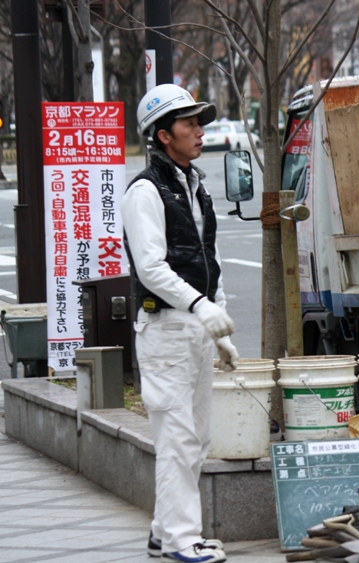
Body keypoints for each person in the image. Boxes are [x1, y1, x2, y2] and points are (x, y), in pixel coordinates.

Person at [123, 84, 239, 563]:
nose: (199, 129)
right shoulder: (145, 190)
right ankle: (179, 539)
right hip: (166, 329)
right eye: (189, 122)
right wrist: (199, 306)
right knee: (177, 438)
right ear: (163, 134)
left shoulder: (196, 185)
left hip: (192, 326)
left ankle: (162, 530)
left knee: (197, 438)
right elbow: (151, 268)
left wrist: (219, 318)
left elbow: (206, 260)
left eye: (199, 120)